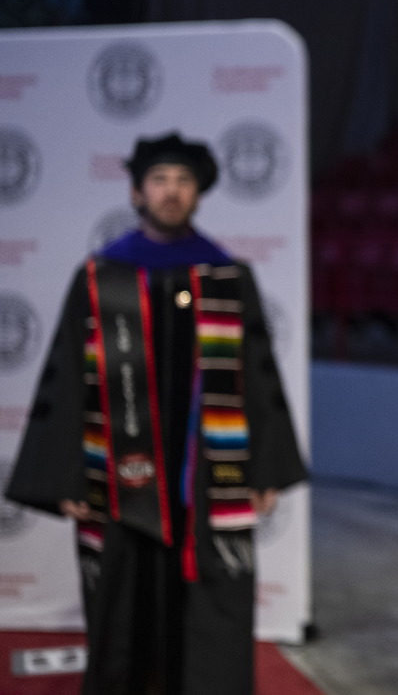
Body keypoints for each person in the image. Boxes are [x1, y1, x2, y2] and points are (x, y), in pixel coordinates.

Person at [4, 133, 307, 695]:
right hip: (122, 482)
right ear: (137, 192)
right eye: (160, 181)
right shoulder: (101, 276)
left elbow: (257, 376)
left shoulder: (226, 276)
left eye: (184, 182)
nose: (172, 192)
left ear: (199, 194)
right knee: (124, 602)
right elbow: (67, 378)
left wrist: (265, 470)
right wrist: (69, 476)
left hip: (206, 481)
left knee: (210, 598)